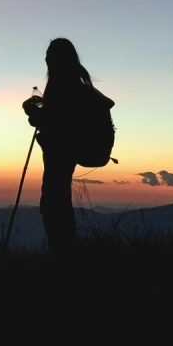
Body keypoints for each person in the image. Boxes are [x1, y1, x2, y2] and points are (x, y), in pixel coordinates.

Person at [22, 38, 114, 255]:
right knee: (56, 200)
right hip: (70, 149)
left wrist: (32, 112)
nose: (46, 59)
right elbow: (57, 120)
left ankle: (63, 253)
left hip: (62, 151)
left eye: (50, 56)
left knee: (53, 202)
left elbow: (57, 123)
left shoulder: (62, 87)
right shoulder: (76, 86)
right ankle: (65, 251)